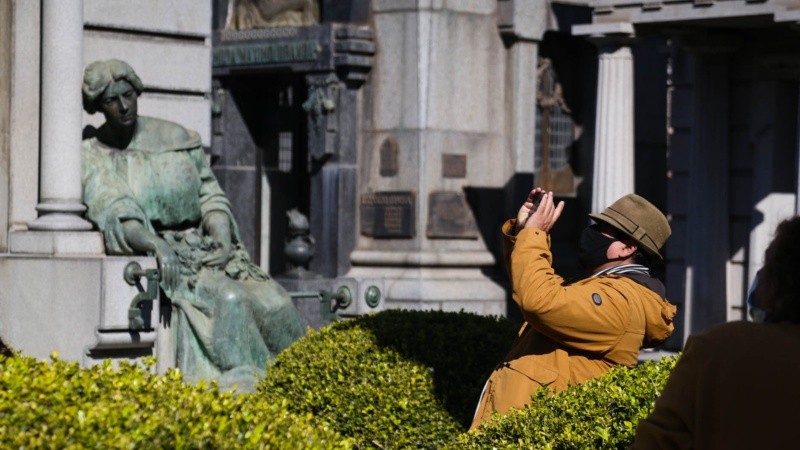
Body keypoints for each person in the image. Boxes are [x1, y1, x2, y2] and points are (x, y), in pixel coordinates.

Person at [81, 59, 306, 390]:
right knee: (230, 300)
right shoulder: (94, 155)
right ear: (99, 107)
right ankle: (248, 385)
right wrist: (155, 244)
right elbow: (116, 210)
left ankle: (301, 383)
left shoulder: (176, 137)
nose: (124, 106)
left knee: (277, 300)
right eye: (112, 100)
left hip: (208, 249)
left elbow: (210, 195)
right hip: (170, 256)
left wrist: (223, 238)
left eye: (128, 95)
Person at [471, 188, 677, 429]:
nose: (591, 233)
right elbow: (535, 284)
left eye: (601, 229)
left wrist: (534, 234)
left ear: (627, 248)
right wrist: (522, 232)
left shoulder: (621, 301)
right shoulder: (601, 287)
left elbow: (539, 301)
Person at [631, 217, 800, 449]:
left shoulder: (717, 348)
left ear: (778, 279)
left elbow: (657, 442)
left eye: (767, 265)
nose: (760, 274)